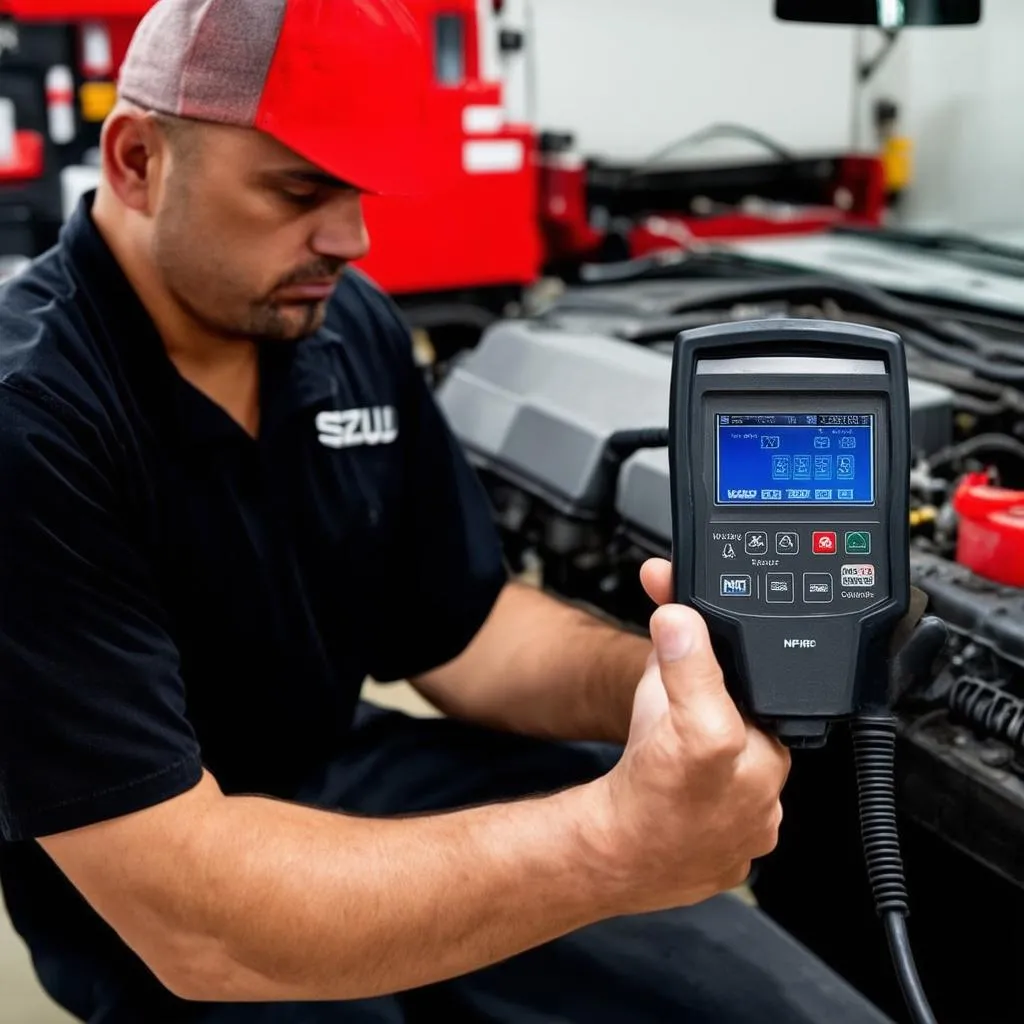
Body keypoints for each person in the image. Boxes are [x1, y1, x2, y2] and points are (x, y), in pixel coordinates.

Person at [0, 2, 893, 1022]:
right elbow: (197, 918)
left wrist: (683, 678)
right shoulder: (33, 420)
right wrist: (614, 843)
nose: (352, 237)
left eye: (362, 192)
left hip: (347, 767)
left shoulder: (340, 324)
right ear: (136, 160)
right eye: (300, 189)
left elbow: (464, 631)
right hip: (160, 880)